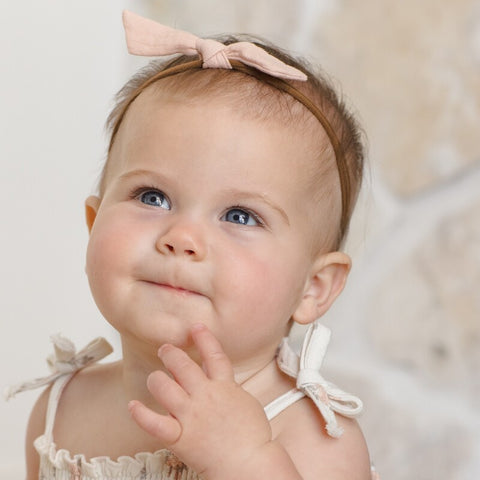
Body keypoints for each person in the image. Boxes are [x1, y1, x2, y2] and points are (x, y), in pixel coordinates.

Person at [9, 10, 379, 480]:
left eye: (239, 216)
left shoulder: (313, 437)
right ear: (94, 223)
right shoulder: (62, 407)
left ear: (314, 287)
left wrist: (245, 462)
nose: (182, 238)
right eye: (152, 197)